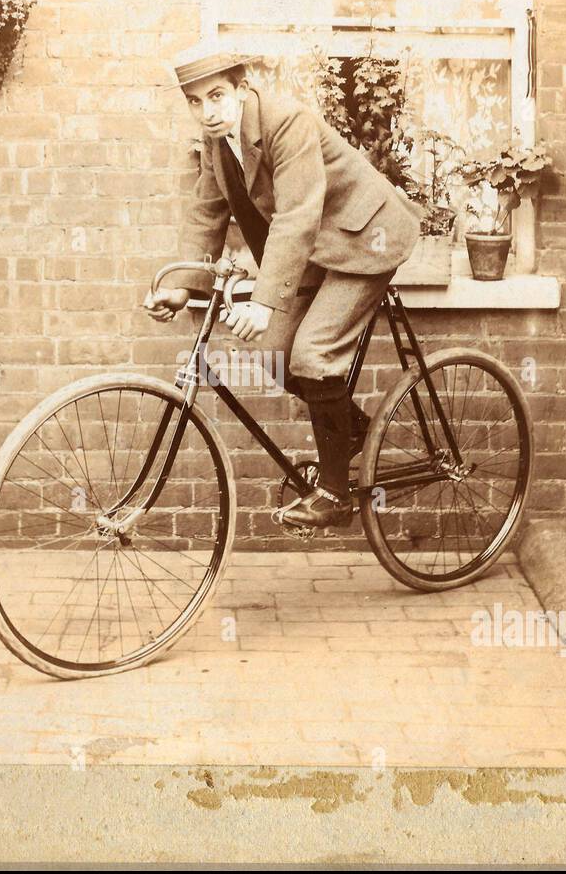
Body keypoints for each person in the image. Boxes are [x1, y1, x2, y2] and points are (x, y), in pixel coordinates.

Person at [143, 47, 423, 528]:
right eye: (194, 101)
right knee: (275, 353)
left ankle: (336, 496)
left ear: (241, 87)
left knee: (313, 354)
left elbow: (296, 216)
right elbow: (206, 214)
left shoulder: (286, 122)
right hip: (321, 246)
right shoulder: (218, 143)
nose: (207, 111)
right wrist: (183, 290)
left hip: (365, 239)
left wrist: (265, 302)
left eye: (216, 96)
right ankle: (352, 429)